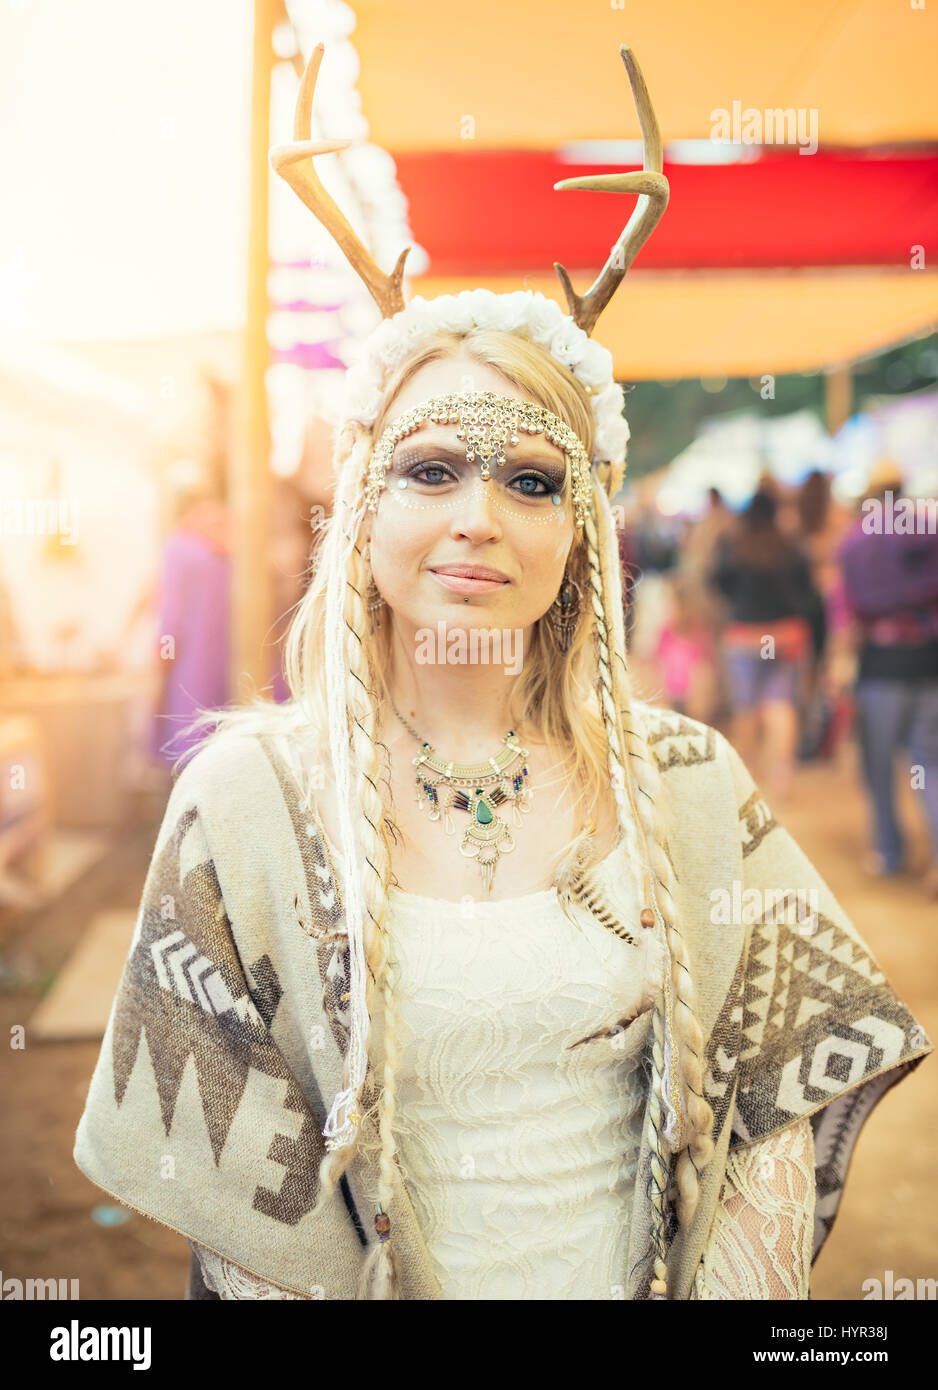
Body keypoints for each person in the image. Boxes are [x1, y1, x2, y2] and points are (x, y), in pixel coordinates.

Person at [73, 44, 931, 1302]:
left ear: (578, 531)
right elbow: (228, 1196)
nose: (479, 515)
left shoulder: (684, 781)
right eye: (430, 470)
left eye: (530, 480)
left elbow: (783, 1096)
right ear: (360, 515)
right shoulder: (248, 797)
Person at [836, 467, 938, 895]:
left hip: (879, 666)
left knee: (878, 764)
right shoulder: (929, 531)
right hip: (929, 661)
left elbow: (845, 612)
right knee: (929, 765)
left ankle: (890, 852)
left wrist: (838, 665)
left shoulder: (855, 542)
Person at [710, 489, 819, 802]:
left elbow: (718, 583)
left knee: (746, 707)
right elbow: (808, 594)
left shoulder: (732, 546)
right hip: (785, 635)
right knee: (781, 706)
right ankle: (780, 780)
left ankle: (747, 780)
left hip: (744, 636)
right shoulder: (791, 547)